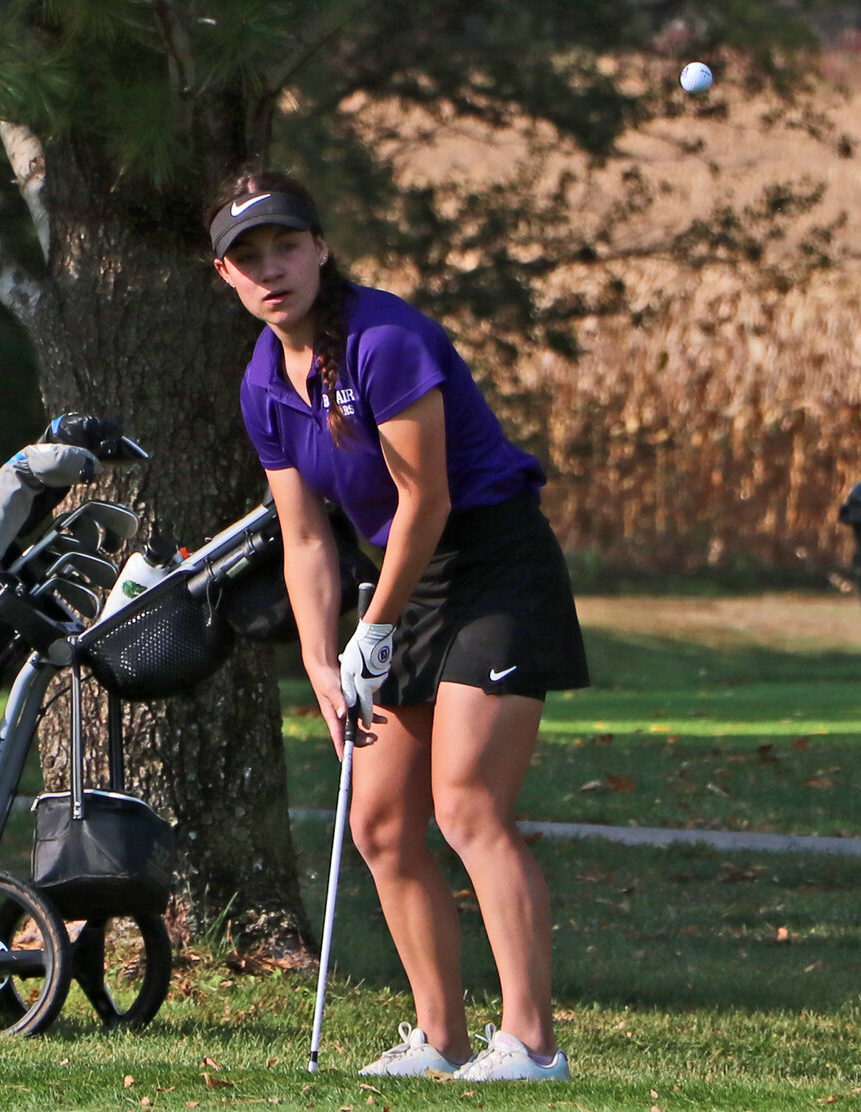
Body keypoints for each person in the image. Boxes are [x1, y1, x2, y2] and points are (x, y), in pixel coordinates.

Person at [208, 169, 590, 1083]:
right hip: (403, 586)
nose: (272, 271)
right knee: (379, 824)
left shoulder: (385, 339)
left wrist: (373, 624)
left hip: (492, 565)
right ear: (224, 275)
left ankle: (532, 1046)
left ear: (320, 249)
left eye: (286, 247)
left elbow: (427, 496)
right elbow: (303, 539)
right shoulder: (266, 382)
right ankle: (441, 1039)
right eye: (247, 257)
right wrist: (320, 658)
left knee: (466, 804)